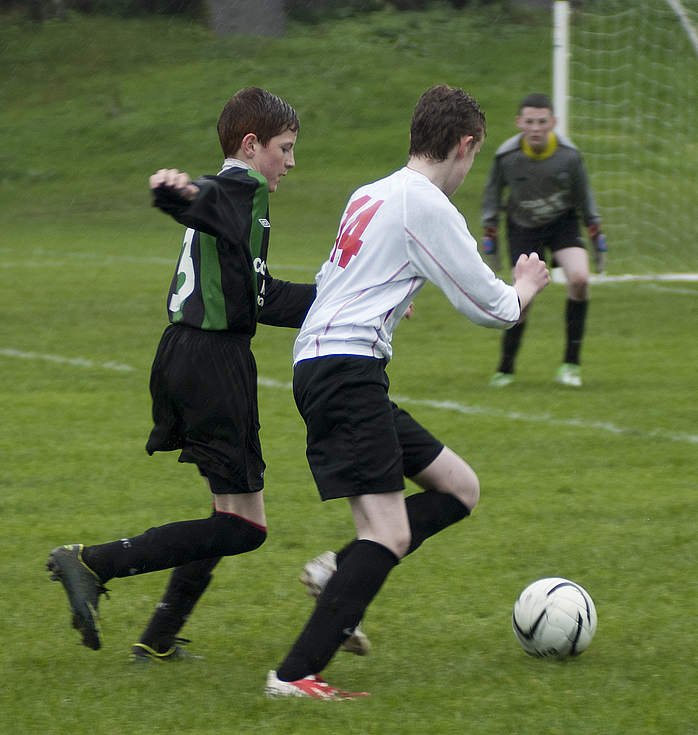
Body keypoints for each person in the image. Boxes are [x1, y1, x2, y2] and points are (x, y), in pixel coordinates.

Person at [264, 84, 550, 700]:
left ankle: (338, 571)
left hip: (331, 364)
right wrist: (526, 283)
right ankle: (295, 677)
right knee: (388, 533)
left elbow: (333, 279)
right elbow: (495, 309)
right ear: (465, 145)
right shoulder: (425, 203)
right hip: (346, 371)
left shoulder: (371, 191)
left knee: (459, 487)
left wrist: (390, 301)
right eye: (472, 158)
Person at [46, 87, 316, 661]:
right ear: (252, 145)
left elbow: (262, 298)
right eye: (285, 149)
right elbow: (208, 200)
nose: (291, 163)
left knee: (226, 514)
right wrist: (181, 195)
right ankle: (94, 561)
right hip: (214, 363)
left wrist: (351, 298)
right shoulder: (241, 188)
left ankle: (159, 639)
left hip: (185, 354)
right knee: (246, 527)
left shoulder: (239, 196)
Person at [480, 92, 604, 388]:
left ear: (554, 123)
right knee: (524, 297)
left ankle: (571, 365)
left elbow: (584, 194)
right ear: (519, 123)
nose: (536, 128)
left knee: (580, 278)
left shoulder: (569, 155)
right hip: (523, 227)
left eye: (542, 122)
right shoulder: (507, 157)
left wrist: (594, 228)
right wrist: (490, 231)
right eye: (530, 122)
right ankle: (505, 368)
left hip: (562, 222)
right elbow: (492, 194)